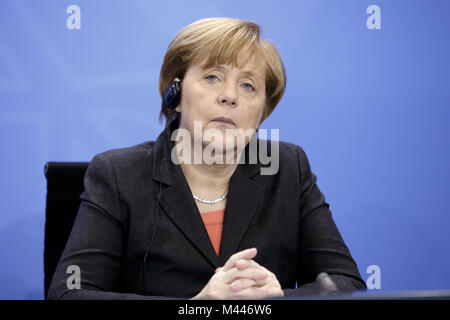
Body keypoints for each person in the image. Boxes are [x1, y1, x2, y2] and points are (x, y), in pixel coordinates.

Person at [47, 17, 366, 300]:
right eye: (213, 77)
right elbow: (69, 293)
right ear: (176, 94)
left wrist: (278, 298)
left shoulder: (287, 168)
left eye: (248, 86)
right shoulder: (119, 174)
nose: (230, 96)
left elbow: (346, 283)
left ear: (261, 113)